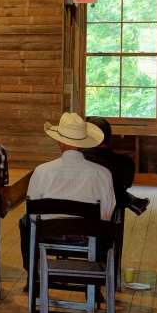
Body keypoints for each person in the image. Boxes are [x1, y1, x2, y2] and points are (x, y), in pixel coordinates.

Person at [19, 112, 116, 271]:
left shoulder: (42, 171)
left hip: (48, 235)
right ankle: (94, 281)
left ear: (59, 142)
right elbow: (106, 213)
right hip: (87, 238)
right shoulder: (102, 173)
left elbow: (31, 211)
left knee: (24, 222)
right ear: (84, 143)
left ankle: (33, 274)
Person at [82, 116, 146, 215]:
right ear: (108, 136)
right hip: (110, 213)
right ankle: (133, 201)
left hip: (81, 207)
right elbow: (126, 185)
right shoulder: (126, 163)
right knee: (115, 189)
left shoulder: (78, 157)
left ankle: (133, 201)